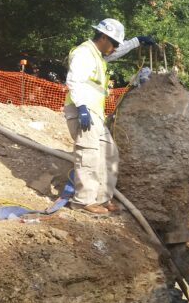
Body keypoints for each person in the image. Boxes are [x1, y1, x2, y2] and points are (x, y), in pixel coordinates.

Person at [63, 18, 156, 214]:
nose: (114, 48)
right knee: (89, 153)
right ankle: (83, 201)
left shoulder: (99, 55)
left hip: (94, 113)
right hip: (83, 111)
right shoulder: (84, 53)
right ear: (103, 37)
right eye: (113, 43)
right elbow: (73, 80)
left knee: (110, 153)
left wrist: (137, 41)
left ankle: (102, 199)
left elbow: (118, 51)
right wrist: (81, 108)